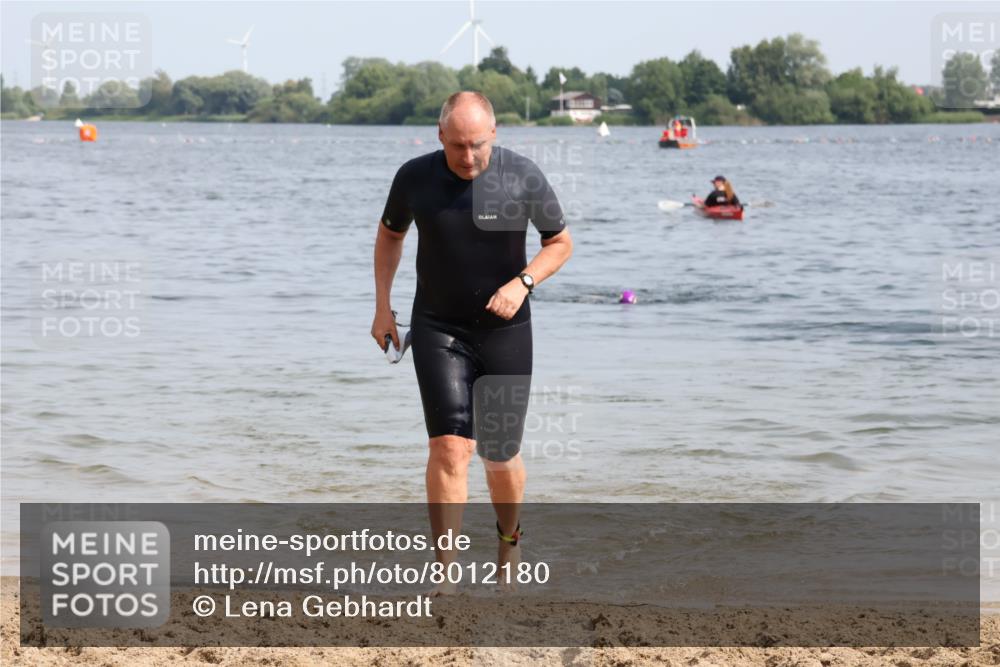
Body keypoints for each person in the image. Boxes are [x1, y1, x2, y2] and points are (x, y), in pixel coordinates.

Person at [371, 91, 573, 594]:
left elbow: (560, 242)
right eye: (457, 145)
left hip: (505, 330)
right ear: (440, 136)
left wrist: (522, 283)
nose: (467, 157)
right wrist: (382, 306)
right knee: (448, 447)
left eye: (477, 145)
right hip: (438, 326)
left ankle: (509, 539)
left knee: (500, 456)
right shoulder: (414, 177)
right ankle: (445, 574)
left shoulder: (522, 175)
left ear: (495, 133)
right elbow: (390, 235)